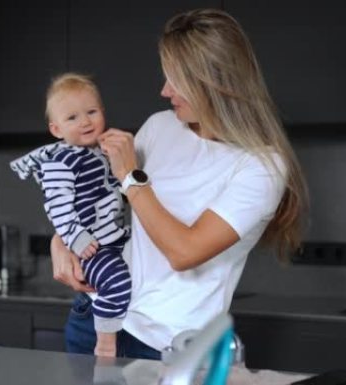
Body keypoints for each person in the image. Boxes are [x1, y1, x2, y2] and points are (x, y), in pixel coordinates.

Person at [51, 8, 308, 359]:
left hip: (165, 346)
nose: (164, 90)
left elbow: (184, 252)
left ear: (213, 82)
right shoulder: (160, 126)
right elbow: (96, 197)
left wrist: (130, 177)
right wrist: (61, 241)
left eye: (175, 80)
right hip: (95, 317)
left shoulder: (261, 166)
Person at [10, 73, 132, 357]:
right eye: (72, 118)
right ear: (56, 129)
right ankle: (105, 341)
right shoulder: (60, 161)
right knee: (116, 282)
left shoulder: (105, 152)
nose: (85, 122)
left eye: (92, 112)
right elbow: (56, 205)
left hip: (114, 240)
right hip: (90, 246)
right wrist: (75, 238)